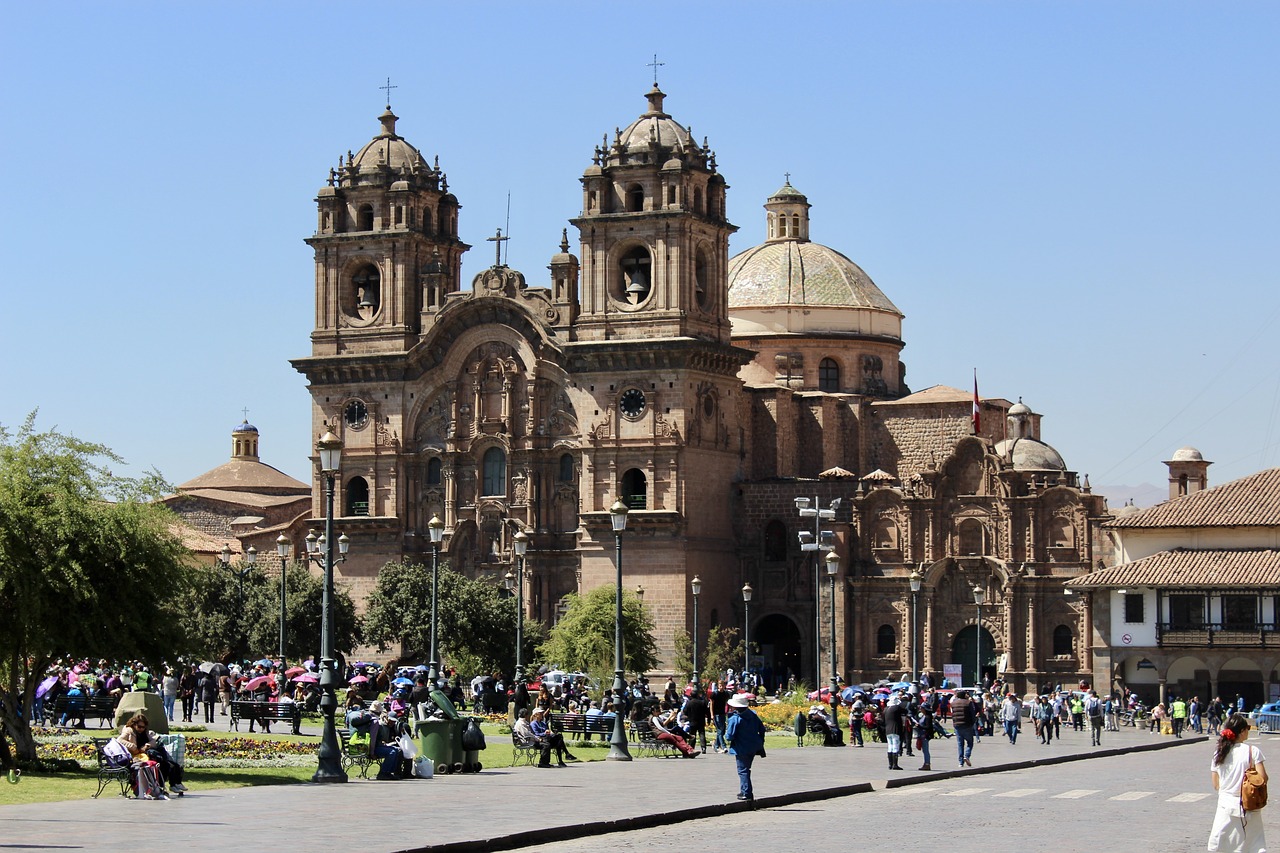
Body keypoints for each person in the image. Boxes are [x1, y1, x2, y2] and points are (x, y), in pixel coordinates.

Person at [1207, 713, 1267, 853]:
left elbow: (1216, 784)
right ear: (1241, 731)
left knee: (1224, 845)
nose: (1248, 730)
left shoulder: (1219, 753)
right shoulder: (1252, 752)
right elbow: (1263, 778)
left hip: (1225, 805)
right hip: (1248, 804)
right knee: (1252, 845)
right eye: (1247, 728)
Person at [115, 712, 186, 794]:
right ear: (134, 724)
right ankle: (164, 787)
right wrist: (133, 747)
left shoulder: (145, 732)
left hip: (145, 754)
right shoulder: (128, 730)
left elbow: (153, 741)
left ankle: (175, 784)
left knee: (172, 764)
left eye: (144, 727)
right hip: (137, 757)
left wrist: (147, 745)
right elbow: (119, 740)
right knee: (162, 765)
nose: (141, 729)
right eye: (139, 726)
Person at [725, 693, 765, 802]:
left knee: (742, 770)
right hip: (753, 747)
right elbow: (762, 728)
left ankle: (746, 792)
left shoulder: (735, 719)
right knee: (746, 769)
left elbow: (729, 736)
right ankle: (745, 790)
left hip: (740, 747)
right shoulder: (752, 715)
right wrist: (760, 741)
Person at [951, 688, 977, 767]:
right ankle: (967, 756)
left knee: (960, 743)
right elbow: (972, 714)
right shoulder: (968, 702)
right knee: (970, 742)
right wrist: (973, 723)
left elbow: (953, 714)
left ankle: (960, 762)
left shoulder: (953, 703)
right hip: (967, 724)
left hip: (957, 725)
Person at [883, 694, 906, 770]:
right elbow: (905, 711)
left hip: (888, 730)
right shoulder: (896, 708)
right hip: (895, 729)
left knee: (890, 746)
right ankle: (895, 764)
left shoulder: (886, 709)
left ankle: (890, 764)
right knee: (895, 746)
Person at [683, 688, 710, 753]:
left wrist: (689, 716)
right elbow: (707, 712)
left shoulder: (689, 703)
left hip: (692, 721)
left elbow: (685, 711)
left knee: (692, 734)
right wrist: (708, 719)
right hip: (701, 721)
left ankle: (692, 747)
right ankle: (703, 748)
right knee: (702, 734)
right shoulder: (702, 702)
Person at [710, 682, 731, 753]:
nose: (721, 687)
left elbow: (726, 703)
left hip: (722, 713)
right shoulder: (714, 694)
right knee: (719, 730)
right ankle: (723, 746)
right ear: (718, 686)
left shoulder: (726, 694)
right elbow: (711, 705)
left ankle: (715, 744)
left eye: (723, 685)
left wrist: (727, 711)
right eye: (720, 686)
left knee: (723, 730)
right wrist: (712, 714)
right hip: (716, 714)